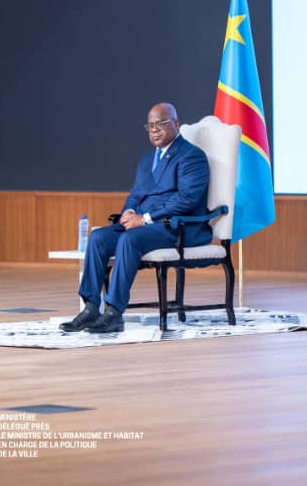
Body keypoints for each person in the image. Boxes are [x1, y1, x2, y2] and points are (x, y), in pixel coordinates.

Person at [60, 102, 211, 334]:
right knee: (98, 238)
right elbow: (135, 194)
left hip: (176, 227)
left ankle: (114, 312)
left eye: (161, 123)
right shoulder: (147, 160)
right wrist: (129, 212)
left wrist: (145, 218)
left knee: (129, 239)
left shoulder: (191, 156)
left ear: (176, 123)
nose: (155, 130)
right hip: (145, 224)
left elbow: (186, 200)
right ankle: (91, 307)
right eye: (150, 126)